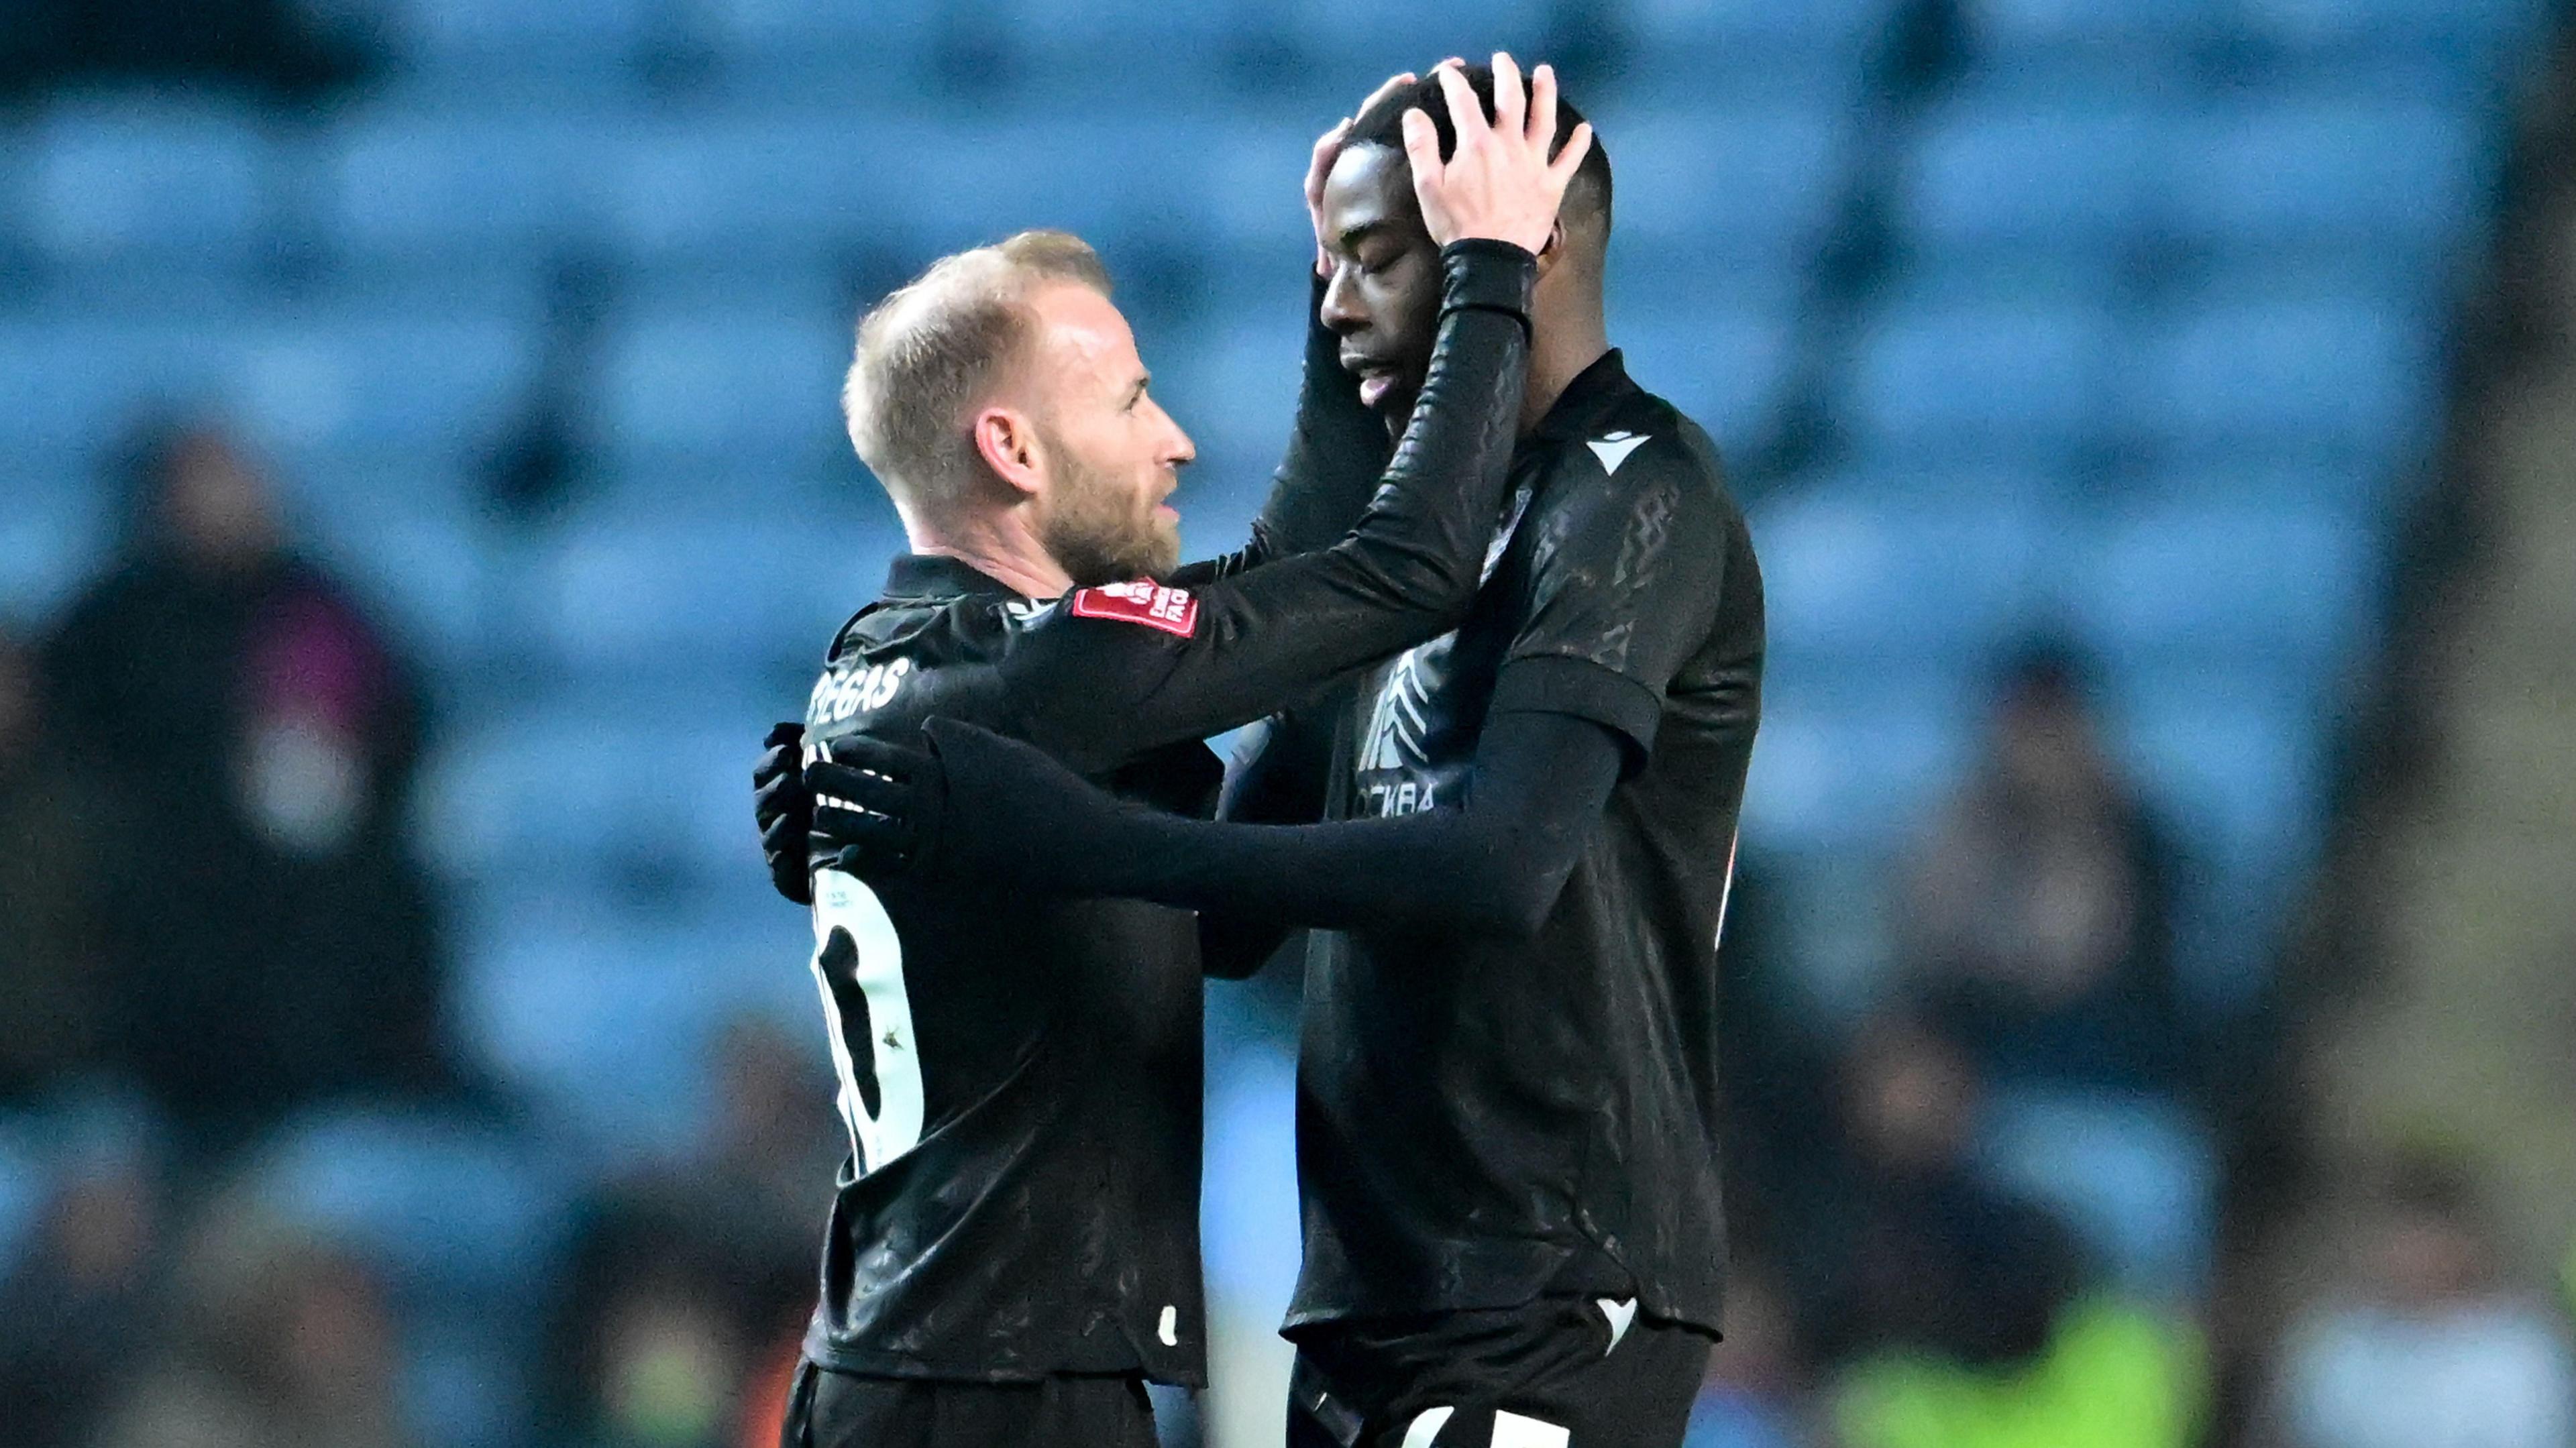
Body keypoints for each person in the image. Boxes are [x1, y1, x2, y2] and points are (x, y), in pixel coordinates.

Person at [810, 61, 1760, 1448]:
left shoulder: (1632, 490)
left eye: (1370, 260)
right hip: (1371, 1276)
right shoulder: (1387, 561)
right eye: (1327, 265)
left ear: (1524, 247)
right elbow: (1235, 909)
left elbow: (1500, 863)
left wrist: (1067, 835)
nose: (1331, 302)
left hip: (1550, 1267)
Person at [41, 424, 453, 1152]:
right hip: (158, 944)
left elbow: (401, 727)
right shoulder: (114, 618)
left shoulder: (318, 604)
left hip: (309, 938)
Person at [2262, 1151, 2575, 1448]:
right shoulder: (2335, 1343)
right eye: (2398, 1237)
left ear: (2465, 1243)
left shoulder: (2519, 1358)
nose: (2409, 1256)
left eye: (2426, 1239)